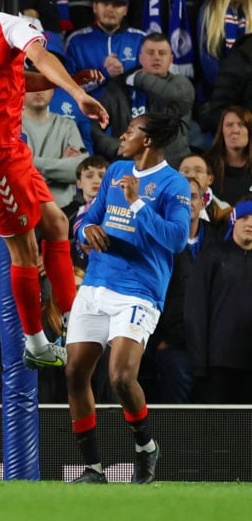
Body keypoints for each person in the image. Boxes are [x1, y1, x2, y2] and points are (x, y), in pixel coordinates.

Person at [0, 0, 107, 369]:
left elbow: (15, 77)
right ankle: (35, 343)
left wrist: (67, 80)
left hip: (5, 149)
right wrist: (76, 93)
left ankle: (72, 322)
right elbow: (39, 55)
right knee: (25, 249)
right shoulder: (9, 24)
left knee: (56, 223)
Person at [67, 112, 190, 484]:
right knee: (75, 372)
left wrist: (137, 204)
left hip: (138, 292)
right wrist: (86, 230)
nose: (121, 136)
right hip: (96, 283)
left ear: (147, 140)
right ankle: (93, 469)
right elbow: (86, 220)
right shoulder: (116, 170)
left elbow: (177, 239)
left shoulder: (174, 184)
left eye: (130, 131)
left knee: (121, 377)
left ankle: (145, 447)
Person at [91, 33, 195, 166]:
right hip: (129, 165)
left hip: (171, 166)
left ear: (171, 59)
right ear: (140, 58)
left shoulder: (181, 85)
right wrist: (116, 147)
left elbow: (174, 96)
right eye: (150, 52)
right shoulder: (119, 87)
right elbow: (95, 125)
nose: (156, 57)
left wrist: (138, 77)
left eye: (162, 53)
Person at [185, 198, 252, 403]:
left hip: (248, 363)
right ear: (233, 220)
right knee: (216, 422)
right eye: (244, 217)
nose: (250, 224)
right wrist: (199, 364)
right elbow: (195, 311)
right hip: (215, 365)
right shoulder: (211, 256)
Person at [64, 0, 146, 102]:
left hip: (132, 110)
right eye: (105, 3)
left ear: (126, 9)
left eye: (117, 5)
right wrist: (103, 75)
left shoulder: (141, 39)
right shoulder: (76, 41)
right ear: (95, 7)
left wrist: (125, 76)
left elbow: (151, 81)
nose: (110, 9)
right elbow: (67, 85)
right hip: (89, 110)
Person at [21, 84, 89, 208]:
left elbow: (79, 171)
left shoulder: (67, 126)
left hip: (63, 210)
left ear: (52, 91)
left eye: (44, 86)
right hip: (21, 209)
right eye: (33, 86)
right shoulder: (9, 126)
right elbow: (11, 174)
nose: (39, 91)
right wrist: (60, 166)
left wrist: (27, 163)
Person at [205, 105, 252, 206]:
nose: (235, 130)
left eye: (241, 125)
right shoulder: (206, 166)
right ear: (222, 131)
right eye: (229, 125)